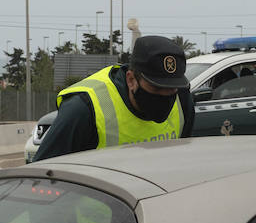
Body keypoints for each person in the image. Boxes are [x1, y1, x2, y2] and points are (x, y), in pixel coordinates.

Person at [33, 35, 195, 161]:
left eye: (171, 88)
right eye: (156, 88)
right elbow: (43, 175)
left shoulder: (182, 100)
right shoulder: (84, 109)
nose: (165, 96)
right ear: (131, 80)